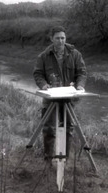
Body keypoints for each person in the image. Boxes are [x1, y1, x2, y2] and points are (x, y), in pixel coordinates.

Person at [33, 26, 87, 161]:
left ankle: (64, 158)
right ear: (51, 39)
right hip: (50, 99)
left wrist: (80, 85)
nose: (61, 41)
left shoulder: (75, 54)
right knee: (49, 129)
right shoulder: (44, 56)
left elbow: (82, 72)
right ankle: (48, 160)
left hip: (69, 99)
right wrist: (43, 85)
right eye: (57, 38)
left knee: (68, 128)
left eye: (63, 38)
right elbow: (38, 74)